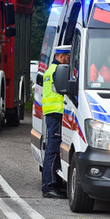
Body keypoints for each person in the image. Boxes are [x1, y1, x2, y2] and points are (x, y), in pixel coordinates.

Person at [41, 45, 70, 199]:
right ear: (61, 56)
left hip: (52, 113)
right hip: (57, 113)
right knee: (53, 151)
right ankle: (49, 186)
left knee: (52, 150)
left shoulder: (49, 70)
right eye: (68, 56)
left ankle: (52, 184)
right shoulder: (58, 71)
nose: (69, 60)